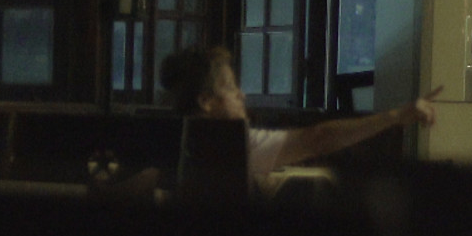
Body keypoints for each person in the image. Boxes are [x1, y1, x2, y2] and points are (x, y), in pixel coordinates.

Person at [159, 45, 439, 192]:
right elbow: (318, 138)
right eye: (231, 87)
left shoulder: (165, 140)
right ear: (206, 101)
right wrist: (394, 116)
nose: (241, 95)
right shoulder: (232, 144)